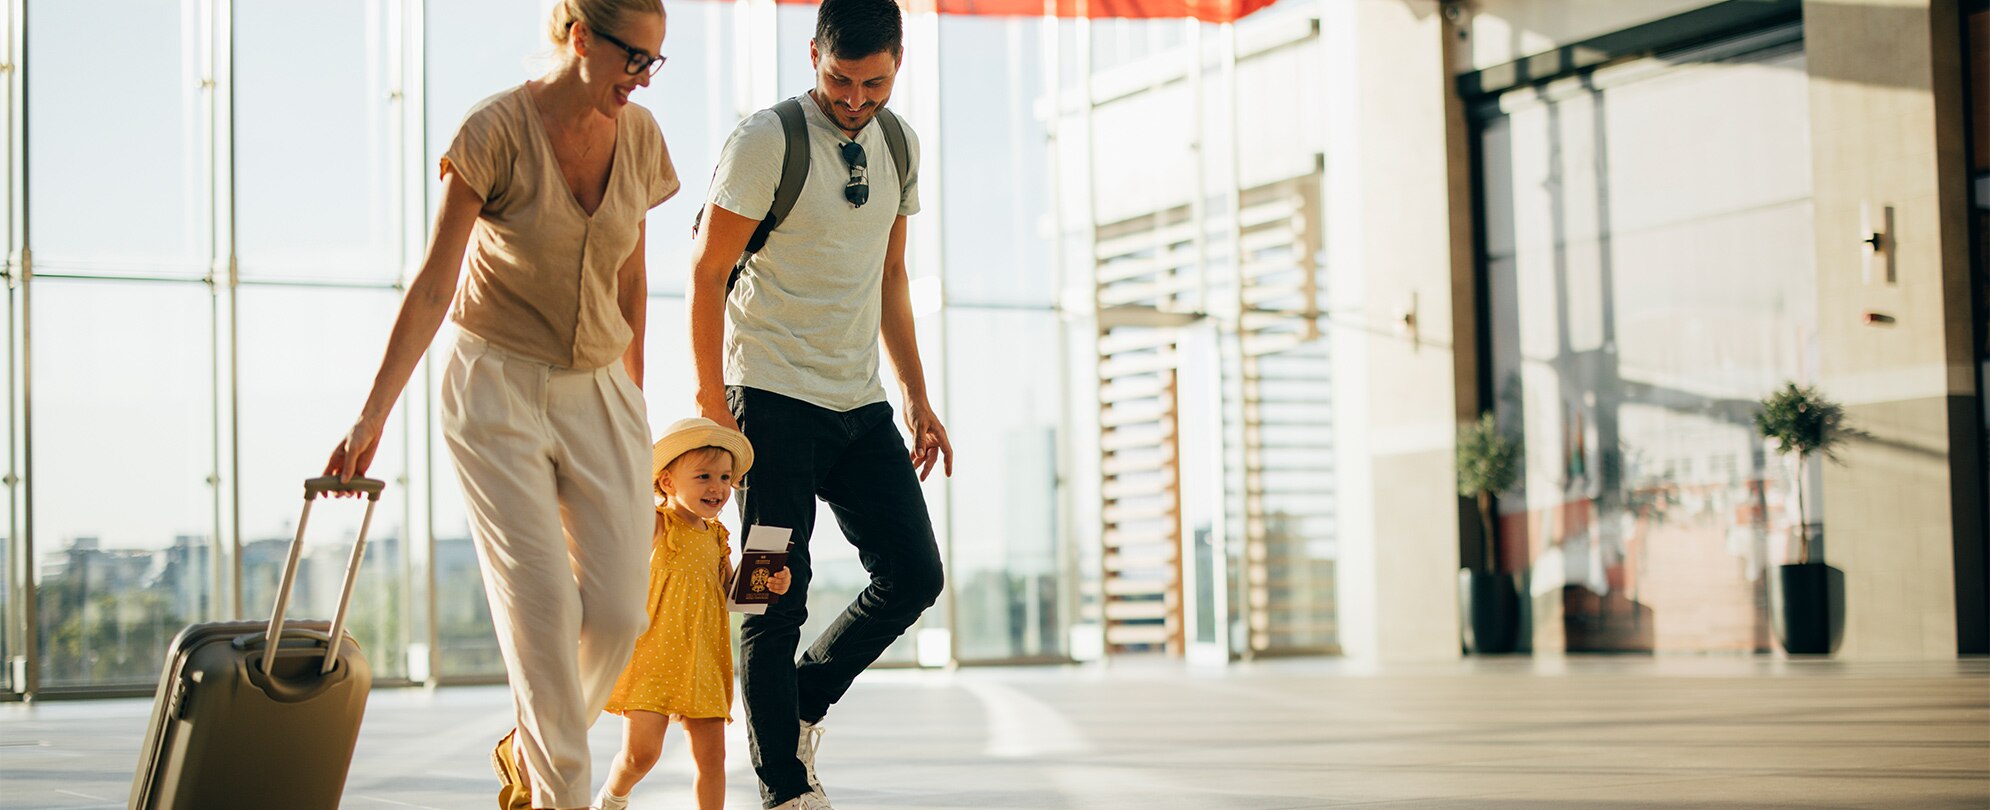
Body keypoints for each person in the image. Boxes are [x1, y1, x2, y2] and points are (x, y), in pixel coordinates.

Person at [321, 2, 677, 808]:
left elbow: (630, 278)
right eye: (633, 58)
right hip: (496, 391)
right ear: (582, 37)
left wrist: (632, 399)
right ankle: (561, 797)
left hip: (600, 390)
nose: (643, 77)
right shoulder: (493, 132)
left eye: (656, 62)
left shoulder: (644, 138)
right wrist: (371, 416)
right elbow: (435, 286)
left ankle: (533, 747)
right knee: (546, 616)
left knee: (620, 612)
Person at [685, 0, 951, 806]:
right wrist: (712, 405)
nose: (855, 98)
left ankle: (796, 703)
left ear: (898, 63)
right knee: (774, 589)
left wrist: (917, 394)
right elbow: (705, 273)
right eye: (840, 79)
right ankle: (783, 785)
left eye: (874, 82)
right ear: (813, 55)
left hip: (856, 398)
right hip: (766, 396)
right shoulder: (766, 141)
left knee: (913, 573)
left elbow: (891, 276)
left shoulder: (899, 141)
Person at [594, 417, 792, 810]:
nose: (717, 487)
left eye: (723, 477)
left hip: (703, 660)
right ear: (667, 483)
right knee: (641, 754)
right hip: (653, 657)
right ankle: (613, 797)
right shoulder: (657, 524)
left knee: (712, 759)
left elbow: (733, 594)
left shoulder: (718, 536)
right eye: (702, 476)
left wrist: (772, 585)